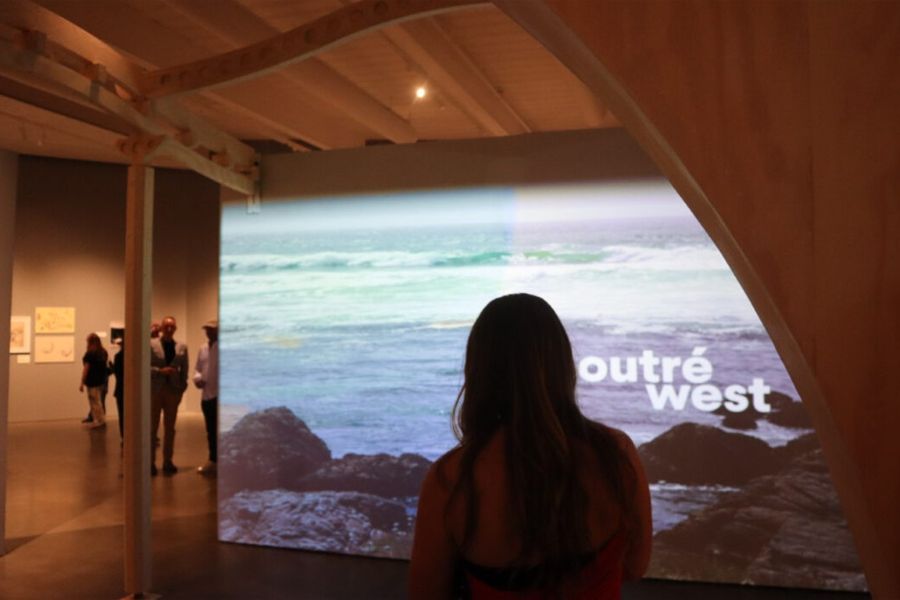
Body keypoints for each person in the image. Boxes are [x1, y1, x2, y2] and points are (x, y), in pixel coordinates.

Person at [409, 294, 652, 599]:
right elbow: (635, 566)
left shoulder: (451, 480)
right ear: (562, 363)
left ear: (479, 370)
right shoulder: (616, 454)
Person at [150, 316, 189, 476]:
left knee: (170, 429)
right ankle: (150, 462)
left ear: (176, 328)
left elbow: (185, 368)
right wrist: (159, 371)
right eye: (166, 326)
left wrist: (181, 388)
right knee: (151, 428)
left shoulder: (181, 346)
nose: (169, 329)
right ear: (161, 328)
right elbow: (144, 366)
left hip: (173, 391)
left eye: (172, 326)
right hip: (155, 390)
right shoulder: (151, 344)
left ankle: (168, 461)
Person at [193, 319, 219, 475]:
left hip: (220, 396)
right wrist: (197, 379)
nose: (209, 332)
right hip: (206, 396)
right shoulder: (202, 348)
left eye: (212, 329)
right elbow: (198, 368)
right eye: (207, 329)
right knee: (210, 430)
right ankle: (212, 460)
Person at [79, 333, 108, 430]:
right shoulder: (103, 352)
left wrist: (82, 382)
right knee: (99, 401)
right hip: (102, 380)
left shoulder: (90, 354)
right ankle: (100, 419)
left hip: (92, 381)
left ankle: (98, 420)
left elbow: (86, 369)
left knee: (94, 401)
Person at [112, 335, 125, 441]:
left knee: (122, 414)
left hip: (120, 389)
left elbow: (117, 373)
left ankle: (124, 436)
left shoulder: (118, 356)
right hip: (122, 389)